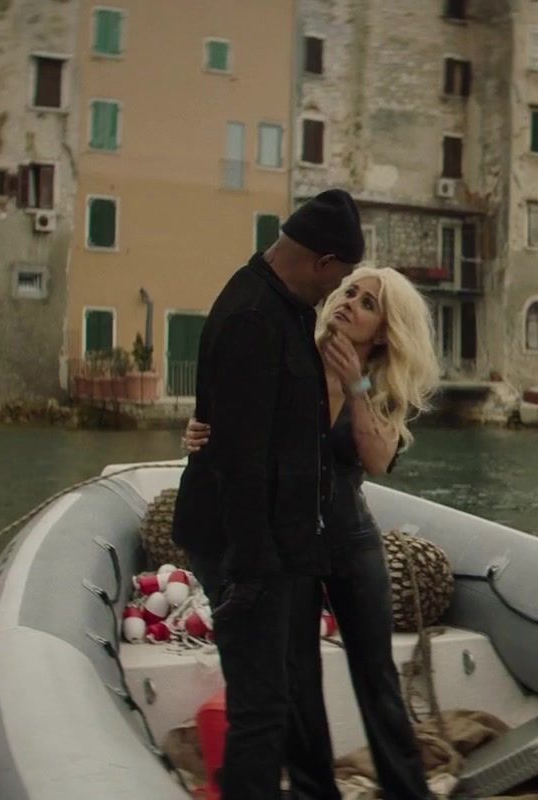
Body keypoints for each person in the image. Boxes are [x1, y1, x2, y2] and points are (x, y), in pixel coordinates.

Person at [183, 266, 440, 800]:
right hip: (292, 542)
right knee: (299, 678)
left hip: (352, 542)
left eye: (368, 303)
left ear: (384, 331)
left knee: (377, 677)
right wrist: (198, 432)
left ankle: (407, 792)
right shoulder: (292, 355)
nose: (349, 302)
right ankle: (312, 792)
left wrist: (356, 385)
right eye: (350, 291)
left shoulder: (381, 384)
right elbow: (242, 427)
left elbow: (377, 459)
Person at [170, 189, 361, 800]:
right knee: (261, 706)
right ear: (322, 261)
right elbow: (241, 459)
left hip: (282, 545)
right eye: (339, 277)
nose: (336, 292)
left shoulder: (285, 308)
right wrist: (251, 570)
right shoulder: (254, 316)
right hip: (247, 548)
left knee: (288, 691)